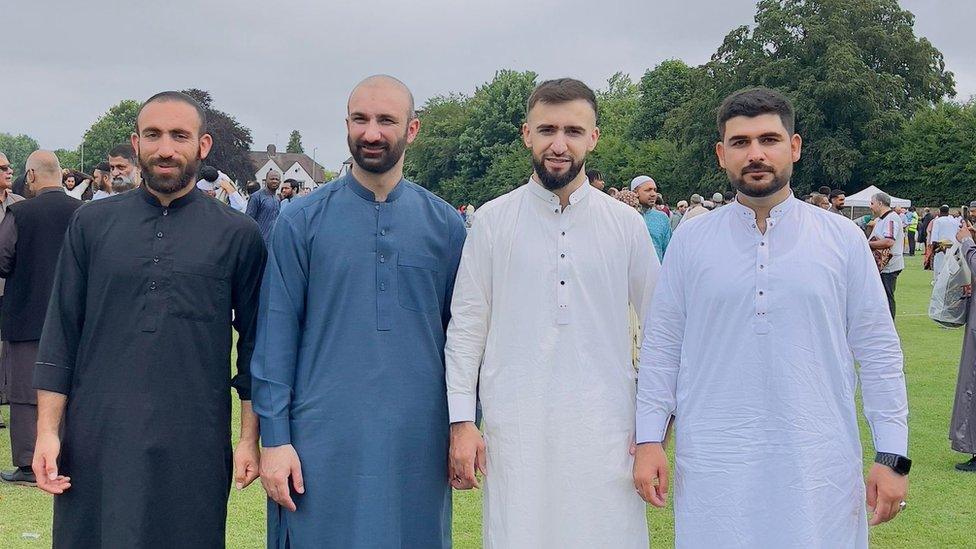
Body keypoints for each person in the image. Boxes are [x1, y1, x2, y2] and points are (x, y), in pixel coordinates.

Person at [634, 87, 909, 548]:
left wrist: (893, 453)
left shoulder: (840, 239)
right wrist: (648, 440)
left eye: (769, 140)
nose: (756, 154)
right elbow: (663, 347)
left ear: (794, 147)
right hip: (715, 459)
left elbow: (879, 350)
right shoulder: (691, 240)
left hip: (818, 457)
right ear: (722, 154)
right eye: (740, 142)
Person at [31, 91, 267, 547]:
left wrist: (247, 438)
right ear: (135, 143)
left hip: (194, 437)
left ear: (203, 145)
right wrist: (47, 433)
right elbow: (61, 331)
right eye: (154, 135)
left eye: (180, 135)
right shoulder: (91, 225)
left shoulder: (238, 235)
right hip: (97, 435)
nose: (165, 148)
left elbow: (257, 346)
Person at [252, 75, 464, 548]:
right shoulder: (300, 221)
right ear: (346, 125)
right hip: (319, 440)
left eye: (386, 120)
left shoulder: (446, 226)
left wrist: (464, 425)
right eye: (360, 119)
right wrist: (275, 438)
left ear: (412, 130)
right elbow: (275, 338)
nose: (371, 132)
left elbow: (465, 343)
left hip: (416, 442)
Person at [447, 78, 658, 549]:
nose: (559, 144)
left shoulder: (625, 225)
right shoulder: (493, 222)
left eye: (573, 131)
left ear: (594, 137)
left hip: (607, 428)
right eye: (547, 130)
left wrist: (652, 430)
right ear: (527, 134)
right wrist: (462, 422)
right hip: (516, 428)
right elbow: (466, 329)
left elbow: (661, 328)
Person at [0, 151, 81, 486]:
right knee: (68, 384)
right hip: (72, 315)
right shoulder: (84, 212)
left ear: (31, 176)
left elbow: (2, 258)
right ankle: (65, 454)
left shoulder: (20, 212)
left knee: (23, 389)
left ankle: (26, 461)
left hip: (26, 314)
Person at [0, 152, 24, 430]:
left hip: (14, 290)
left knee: (10, 351)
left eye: (9, 166)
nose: (9, 171)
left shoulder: (20, 206)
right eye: (3, 168)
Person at [869, 192, 904, 318]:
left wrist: (868, 245)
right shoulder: (883, 219)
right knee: (881, 297)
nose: (870, 206)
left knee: (886, 297)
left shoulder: (891, 218)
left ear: (880, 203)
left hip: (889, 266)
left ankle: (888, 327)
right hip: (883, 266)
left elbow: (889, 241)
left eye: (872, 203)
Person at [632, 175, 671, 263]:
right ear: (635, 192)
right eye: (648, 190)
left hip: (657, 272)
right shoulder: (627, 216)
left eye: (655, 190)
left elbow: (668, 251)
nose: (653, 194)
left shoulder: (662, 218)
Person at [246, 170, 281, 243]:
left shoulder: (277, 199)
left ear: (280, 182)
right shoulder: (256, 197)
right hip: (259, 241)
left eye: (277, 179)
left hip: (273, 242)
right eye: (272, 179)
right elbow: (248, 220)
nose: (274, 181)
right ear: (266, 180)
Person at [928, 205, 959, 274]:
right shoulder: (955, 221)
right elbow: (958, 233)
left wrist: (933, 247)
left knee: (939, 264)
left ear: (940, 212)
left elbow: (934, 235)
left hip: (941, 245)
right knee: (951, 263)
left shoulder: (937, 221)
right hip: (953, 245)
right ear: (948, 212)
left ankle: (938, 281)